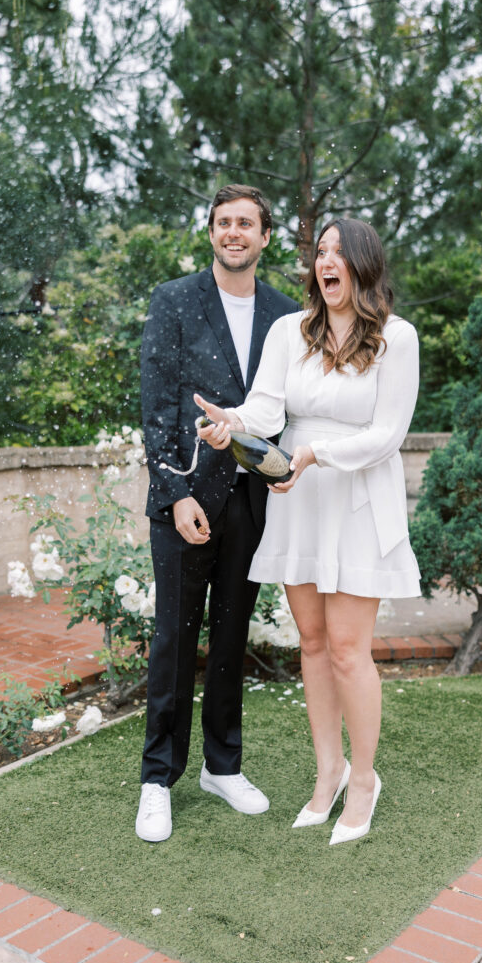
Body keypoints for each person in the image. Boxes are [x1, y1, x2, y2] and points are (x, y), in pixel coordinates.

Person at [196, 217, 420, 845]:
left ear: (362, 265)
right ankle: (329, 773)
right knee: (313, 645)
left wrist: (315, 454)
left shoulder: (396, 338)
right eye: (319, 252)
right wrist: (230, 424)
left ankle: (366, 779)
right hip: (299, 500)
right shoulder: (288, 331)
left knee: (350, 650)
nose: (325, 262)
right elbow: (268, 408)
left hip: (354, 497)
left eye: (337, 253)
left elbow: (387, 434)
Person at [136, 184, 298, 842]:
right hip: (184, 502)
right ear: (211, 232)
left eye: (246, 224)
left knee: (231, 639)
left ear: (264, 238)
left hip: (252, 502)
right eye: (222, 222)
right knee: (175, 641)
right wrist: (175, 496)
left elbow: (289, 410)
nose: (233, 232)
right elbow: (158, 404)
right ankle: (156, 778)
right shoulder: (174, 300)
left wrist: (282, 468)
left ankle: (222, 767)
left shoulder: (287, 317)